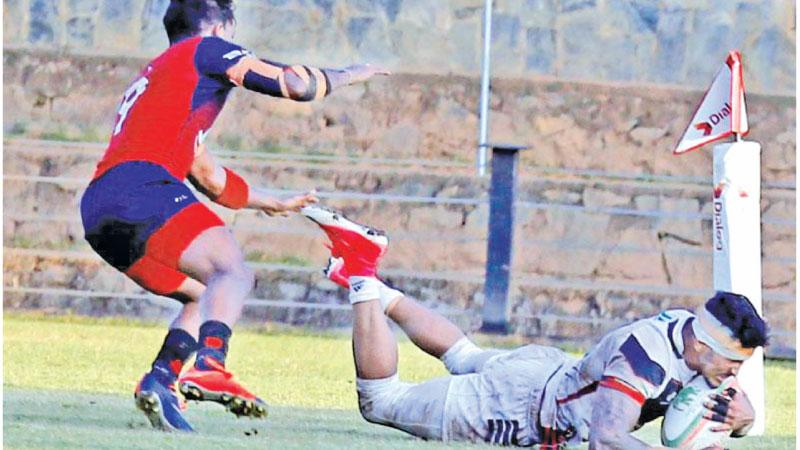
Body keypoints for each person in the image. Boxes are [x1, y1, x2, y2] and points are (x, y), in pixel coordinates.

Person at [79, 0, 387, 432]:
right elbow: (295, 85)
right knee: (233, 273)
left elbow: (207, 177)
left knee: (199, 294)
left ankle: (161, 379)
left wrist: (273, 202)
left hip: (99, 207)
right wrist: (351, 74)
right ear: (221, 26)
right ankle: (210, 365)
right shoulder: (207, 50)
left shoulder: (165, 76)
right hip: (140, 188)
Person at [300, 205, 768, 449]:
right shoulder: (642, 358)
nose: (733, 375)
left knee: (463, 357)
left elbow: (725, 413)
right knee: (382, 403)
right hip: (523, 407)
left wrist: (741, 423)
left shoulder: (702, 345)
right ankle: (362, 275)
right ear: (705, 346)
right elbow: (606, 440)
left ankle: (371, 285)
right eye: (731, 364)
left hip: (547, 372)